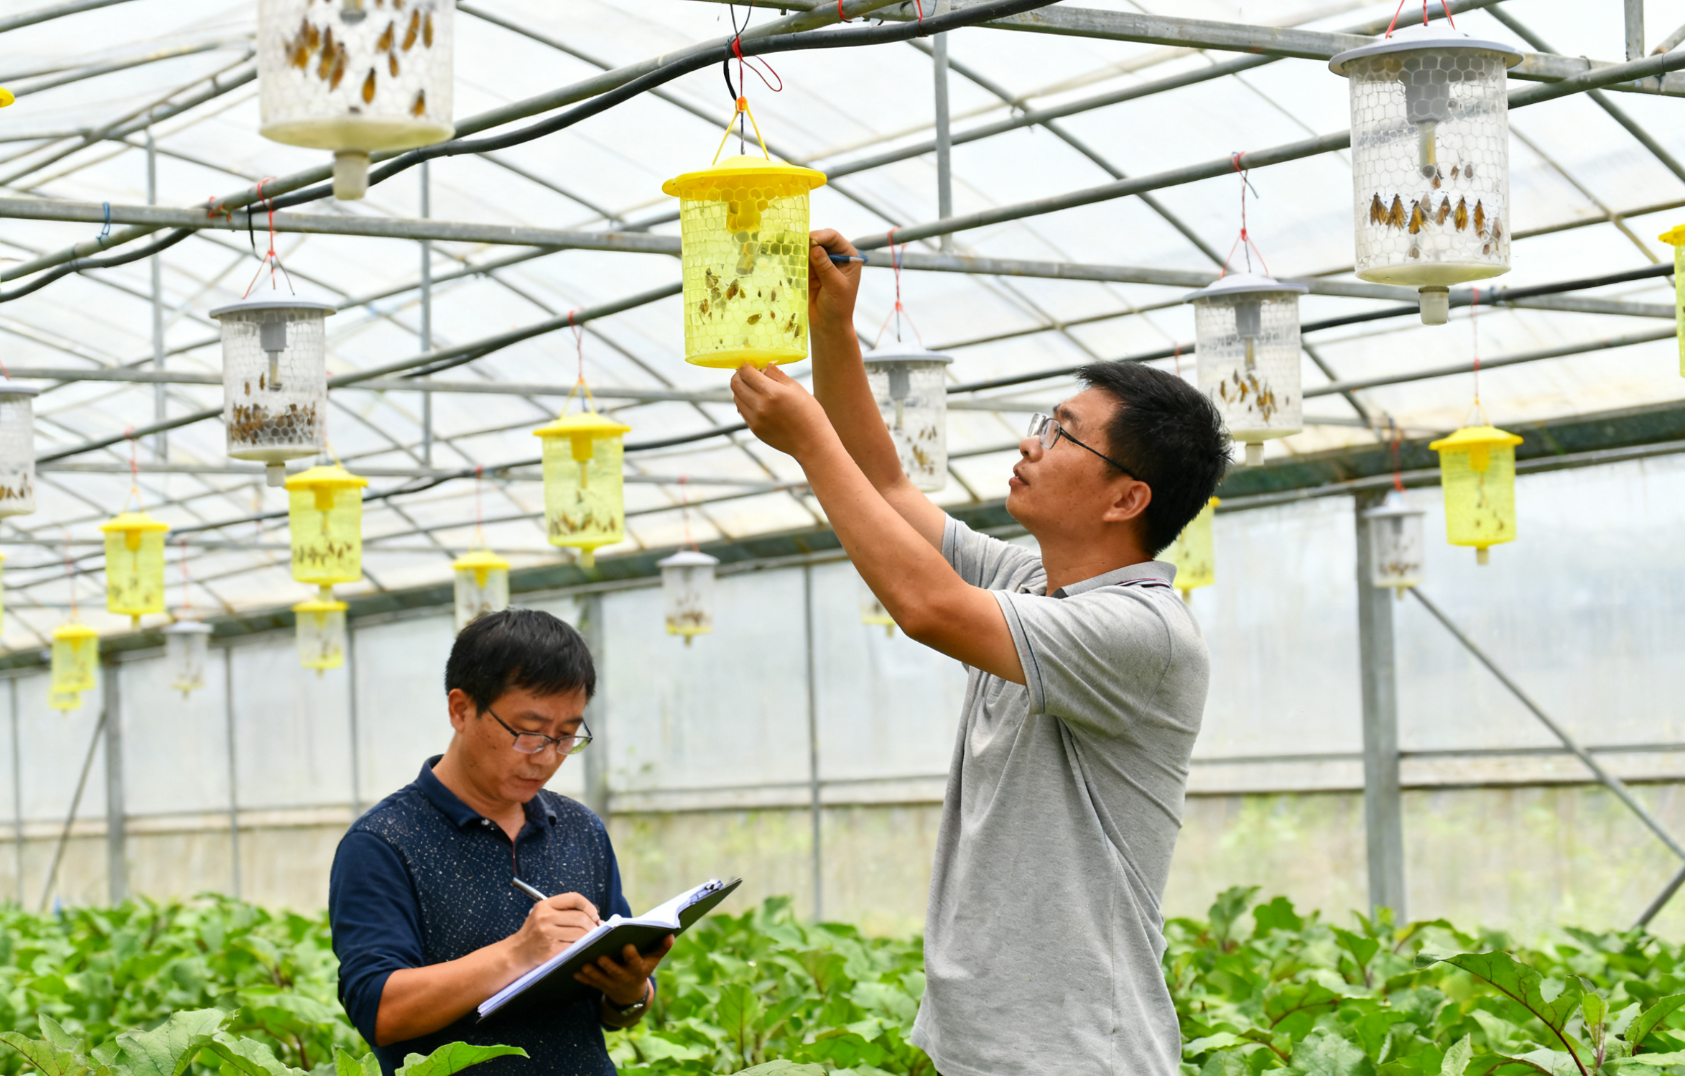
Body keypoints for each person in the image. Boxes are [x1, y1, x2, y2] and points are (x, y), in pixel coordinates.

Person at [728, 230, 1231, 1076]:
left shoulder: (1142, 633)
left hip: (1076, 1052)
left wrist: (807, 442)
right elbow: (888, 490)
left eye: (1064, 435)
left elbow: (926, 607)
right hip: (989, 1044)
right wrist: (833, 332)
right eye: (1046, 424)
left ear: (1126, 498)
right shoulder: (1032, 582)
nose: (1031, 443)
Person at [328, 609, 670, 1076]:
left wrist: (631, 991)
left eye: (567, 735)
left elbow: (616, 1011)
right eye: (528, 733)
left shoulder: (580, 829)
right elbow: (381, 1012)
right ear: (461, 709)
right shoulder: (382, 843)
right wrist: (518, 954)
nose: (547, 756)